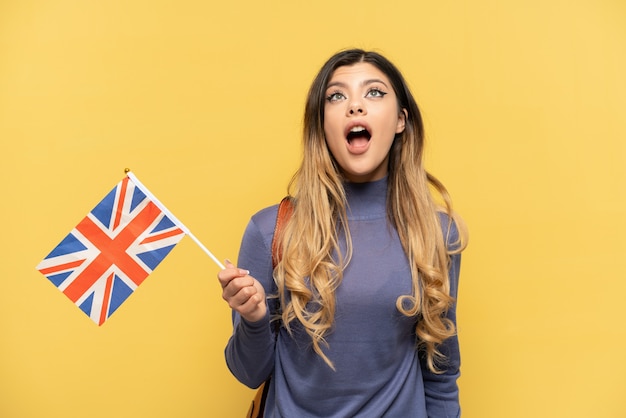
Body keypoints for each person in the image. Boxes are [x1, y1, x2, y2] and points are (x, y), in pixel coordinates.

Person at [217, 48, 468, 417]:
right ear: (322, 124)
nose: (355, 106)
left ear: (400, 120)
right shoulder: (269, 229)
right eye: (337, 96)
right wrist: (253, 321)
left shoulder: (436, 234)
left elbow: (441, 372)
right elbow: (248, 372)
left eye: (374, 92)